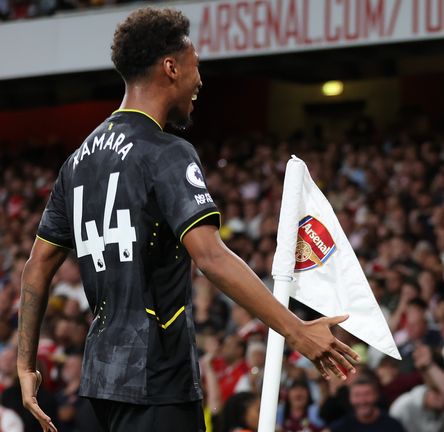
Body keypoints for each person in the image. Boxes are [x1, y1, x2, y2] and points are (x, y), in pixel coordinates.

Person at [17, 7, 358, 432]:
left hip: (100, 386)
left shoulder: (77, 162)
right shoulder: (166, 151)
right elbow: (210, 257)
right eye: (197, 67)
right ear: (171, 67)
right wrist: (295, 330)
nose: (200, 81)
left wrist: (25, 364)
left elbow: (36, 269)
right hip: (157, 383)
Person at [327, 374, 406, 432]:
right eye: (357, 395)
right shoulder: (341, 426)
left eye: (367, 394)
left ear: (376, 396)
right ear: (350, 398)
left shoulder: (392, 426)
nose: (362, 401)